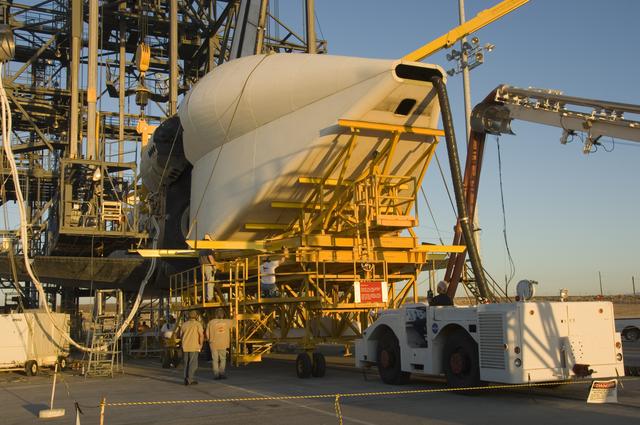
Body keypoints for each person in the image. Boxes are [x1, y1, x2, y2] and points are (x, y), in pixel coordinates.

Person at [206, 309, 235, 380]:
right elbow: (234, 322)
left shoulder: (211, 322)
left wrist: (210, 340)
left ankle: (216, 374)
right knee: (223, 359)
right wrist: (234, 314)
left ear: (215, 315)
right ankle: (222, 373)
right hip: (223, 343)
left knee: (215, 359)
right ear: (223, 315)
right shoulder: (227, 322)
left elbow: (207, 333)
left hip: (213, 343)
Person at [178, 310, 204, 385]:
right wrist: (201, 344)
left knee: (186, 363)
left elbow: (181, 335)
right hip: (194, 346)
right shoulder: (197, 324)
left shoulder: (184, 324)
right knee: (193, 364)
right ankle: (190, 379)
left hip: (185, 346)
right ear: (196, 316)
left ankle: (185, 378)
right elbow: (201, 335)